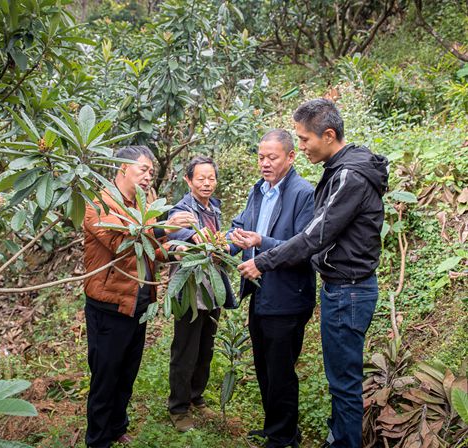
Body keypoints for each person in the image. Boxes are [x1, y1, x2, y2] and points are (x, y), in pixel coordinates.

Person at [238, 99, 389, 448]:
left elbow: (313, 236)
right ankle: (338, 437)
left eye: (304, 140)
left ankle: (343, 443)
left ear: (329, 135)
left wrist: (263, 260)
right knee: (339, 376)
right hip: (341, 288)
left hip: (348, 291)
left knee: (344, 380)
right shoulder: (341, 170)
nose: (302, 146)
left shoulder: (349, 176)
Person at [83, 145, 197, 448]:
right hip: (109, 304)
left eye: (151, 172)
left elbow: (148, 249)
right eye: (143, 170)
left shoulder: (141, 207)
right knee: (105, 376)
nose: (149, 177)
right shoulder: (100, 205)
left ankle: (117, 426)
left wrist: (175, 250)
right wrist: (166, 227)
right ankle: (97, 440)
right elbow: (124, 241)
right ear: (123, 168)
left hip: (138, 301)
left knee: (127, 372)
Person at [227, 129, 315, 448]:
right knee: (264, 364)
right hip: (260, 291)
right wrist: (221, 244)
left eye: (272, 157)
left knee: (280, 370)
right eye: (261, 157)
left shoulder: (304, 193)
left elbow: (305, 246)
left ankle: (284, 437)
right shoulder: (259, 190)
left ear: (291, 157)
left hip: (288, 297)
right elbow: (241, 227)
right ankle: (276, 427)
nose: (264, 163)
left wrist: (262, 242)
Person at [165, 156, 237, 432]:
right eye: (200, 178)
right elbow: (175, 232)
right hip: (190, 289)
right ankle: (178, 407)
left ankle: (196, 396)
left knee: (205, 348)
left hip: (212, 288)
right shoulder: (182, 208)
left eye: (211, 178)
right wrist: (189, 237)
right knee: (185, 350)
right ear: (188, 181)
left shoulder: (214, 207)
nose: (207, 183)